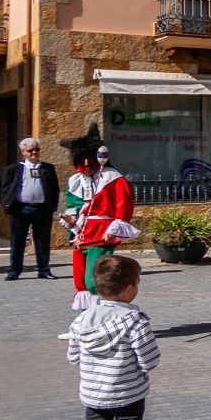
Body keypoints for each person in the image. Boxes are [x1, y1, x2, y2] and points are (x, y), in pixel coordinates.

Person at [66, 255, 158, 420]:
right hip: (128, 394)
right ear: (129, 289)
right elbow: (150, 360)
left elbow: (73, 357)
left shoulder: (81, 321)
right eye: (137, 282)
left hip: (94, 395)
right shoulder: (136, 322)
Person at [60, 125, 136, 310]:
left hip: (101, 233)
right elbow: (73, 207)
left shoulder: (112, 178)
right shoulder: (75, 180)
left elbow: (123, 206)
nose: (86, 164)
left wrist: (113, 230)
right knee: (80, 279)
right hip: (81, 234)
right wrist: (71, 221)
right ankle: (87, 316)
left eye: (90, 158)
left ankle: (100, 313)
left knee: (93, 279)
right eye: (82, 160)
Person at [1, 137, 60, 281]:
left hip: (42, 209)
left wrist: (52, 206)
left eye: (37, 149)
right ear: (23, 152)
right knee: (17, 242)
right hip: (20, 209)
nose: (34, 153)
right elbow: (5, 189)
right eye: (30, 150)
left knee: (42, 241)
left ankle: (44, 270)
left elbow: (54, 189)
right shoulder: (13, 169)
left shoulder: (47, 168)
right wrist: (7, 205)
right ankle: (14, 271)